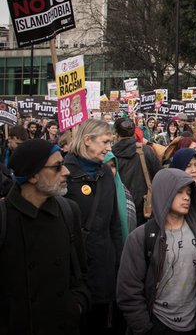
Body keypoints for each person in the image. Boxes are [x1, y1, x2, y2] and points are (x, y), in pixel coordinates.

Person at [1, 139, 90, 334]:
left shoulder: (68, 211)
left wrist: (77, 305)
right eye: (57, 167)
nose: (66, 171)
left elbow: (80, 270)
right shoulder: (4, 216)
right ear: (33, 176)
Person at [117, 168, 196, 335]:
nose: (186, 197)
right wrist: (144, 328)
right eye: (179, 192)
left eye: (188, 192)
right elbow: (128, 290)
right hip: (157, 323)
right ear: (164, 193)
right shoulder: (141, 237)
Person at [64, 119, 125, 334]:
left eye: (111, 142)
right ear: (87, 140)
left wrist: (119, 264)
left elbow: (115, 223)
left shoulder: (106, 173)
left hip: (103, 267)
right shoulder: (64, 173)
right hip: (72, 269)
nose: (110, 148)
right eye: (105, 142)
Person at [112, 117, 162, 225]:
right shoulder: (146, 151)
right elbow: (159, 176)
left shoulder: (109, 155)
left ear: (116, 134)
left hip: (118, 207)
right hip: (143, 209)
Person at [103, 151, 137, 241]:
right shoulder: (95, 192)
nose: (110, 170)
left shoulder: (124, 192)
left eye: (113, 166)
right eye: (105, 165)